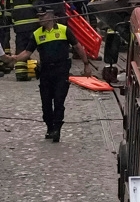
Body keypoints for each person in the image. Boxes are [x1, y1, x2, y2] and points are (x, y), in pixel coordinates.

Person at [14, 9, 89, 142]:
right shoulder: (37, 34)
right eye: (39, 17)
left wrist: (86, 64)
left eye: (42, 17)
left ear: (51, 17)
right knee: (46, 104)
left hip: (61, 70)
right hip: (46, 72)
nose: (40, 19)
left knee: (59, 101)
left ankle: (57, 129)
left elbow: (77, 47)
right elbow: (27, 52)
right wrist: (12, 59)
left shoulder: (64, 30)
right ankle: (50, 127)